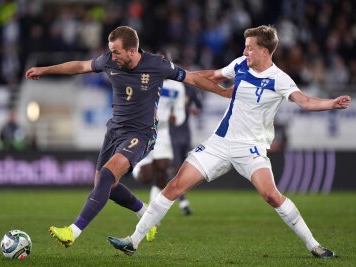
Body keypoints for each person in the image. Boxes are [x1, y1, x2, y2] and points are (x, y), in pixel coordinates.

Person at [106, 25, 351, 258]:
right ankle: (133, 241)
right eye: (245, 47)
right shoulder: (241, 65)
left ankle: (314, 245)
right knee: (174, 186)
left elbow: (305, 101)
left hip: (251, 148)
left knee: (271, 196)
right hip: (219, 144)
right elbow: (211, 75)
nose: (245, 52)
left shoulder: (280, 79)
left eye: (250, 48)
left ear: (265, 51)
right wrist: (173, 76)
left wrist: (331, 104)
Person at [25, 26, 230, 248]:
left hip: (141, 134)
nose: (112, 56)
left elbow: (192, 79)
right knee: (106, 187)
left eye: (117, 52)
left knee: (106, 177)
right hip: (114, 130)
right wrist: (45, 70)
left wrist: (223, 92)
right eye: (111, 51)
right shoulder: (109, 61)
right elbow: (80, 66)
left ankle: (72, 232)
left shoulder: (157, 64)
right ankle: (146, 216)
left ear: (132, 51)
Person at [131, 51, 186, 241]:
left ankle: (153, 215)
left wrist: (176, 118)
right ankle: (136, 170)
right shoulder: (142, 80)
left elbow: (179, 113)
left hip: (162, 133)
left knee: (162, 171)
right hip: (142, 131)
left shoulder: (177, 88)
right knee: (147, 176)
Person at [169, 84, 203, 216]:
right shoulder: (165, 87)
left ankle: (179, 197)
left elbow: (199, 106)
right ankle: (182, 200)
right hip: (169, 135)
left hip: (185, 134)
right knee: (175, 167)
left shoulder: (190, 89)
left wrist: (194, 110)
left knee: (184, 168)